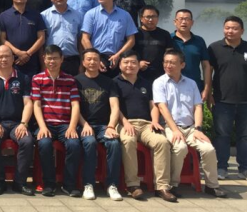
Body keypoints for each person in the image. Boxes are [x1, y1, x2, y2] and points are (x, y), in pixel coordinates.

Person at [154, 49, 226, 198]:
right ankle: (173, 185)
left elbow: (198, 107)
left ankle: (212, 186)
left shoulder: (191, 84)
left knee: (208, 149)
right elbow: (162, 108)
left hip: (191, 128)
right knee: (180, 148)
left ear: (182, 65)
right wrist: (175, 130)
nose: (168, 65)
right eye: (166, 62)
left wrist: (198, 128)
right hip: (170, 127)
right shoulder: (159, 83)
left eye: (172, 62)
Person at [207, 16, 247, 183]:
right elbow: (208, 72)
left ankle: (245, 169)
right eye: (227, 28)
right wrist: (209, 93)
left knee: (245, 137)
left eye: (234, 28)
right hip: (222, 101)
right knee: (222, 136)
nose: (230, 31)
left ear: (242, 31)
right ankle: (221, 168)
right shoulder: (214, 48)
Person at [115, 51, 175, 202]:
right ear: (120, 65)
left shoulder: (146, 83)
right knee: (128, 141)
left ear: (138, 64)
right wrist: (125, 122)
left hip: (146, 124)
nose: (130, 65)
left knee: (162, 142)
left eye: (133, 62)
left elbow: (153, 105)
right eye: (126, 62)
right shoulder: (114, 83)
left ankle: (162, 186)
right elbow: (114, 108)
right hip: (124, 123)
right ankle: (133, 185)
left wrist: (154, 121)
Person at [31, 45, 82, 197]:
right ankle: (49, 184)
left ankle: (69, 185)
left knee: (74, 144)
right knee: (44, 144)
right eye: (49, 58)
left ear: (62, 59)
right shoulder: (37, 79)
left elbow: (75, 105)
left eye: (55, 58)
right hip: (45, 124)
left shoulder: (70, 80)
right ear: (44, 59)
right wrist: (42, 127)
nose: (52, 61)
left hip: (65, 125)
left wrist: (72, 127)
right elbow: (36, 105)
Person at [0, 45, 35, 196]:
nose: (4, 59)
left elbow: (28, 103)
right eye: (0, 57)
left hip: (17, 124)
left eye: (7, 56)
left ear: (13, 59)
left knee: (27, 141)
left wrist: (24, 124)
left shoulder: (23, 78)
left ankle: (19, 183)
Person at [74, 49, 124, 201]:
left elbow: (115, 106)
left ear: (100, 62)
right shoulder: (75, 81)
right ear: (83, 62)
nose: (92, 62)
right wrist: (84, 124)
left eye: (95, 59)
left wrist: (111, 126)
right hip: (83, 125)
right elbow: (74, 107)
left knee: (114, 143)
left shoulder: (109, 82)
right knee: (89, 143)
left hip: (103, 125)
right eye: (89, 59)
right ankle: (88, 184)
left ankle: (111, 185)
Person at [80, 0, 137, 76]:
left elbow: (131, 40)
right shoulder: (90, 14)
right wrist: (95, 58)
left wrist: (118, 55)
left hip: (117, 58)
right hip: (97, 59)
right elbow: (84, 39)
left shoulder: (125, 15)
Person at [0, 0, 46, 77]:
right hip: (12, 63)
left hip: (32, 62)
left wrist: (27, 54)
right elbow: (2, 39)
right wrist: (18, 52)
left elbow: (41, 38)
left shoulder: (36, 15)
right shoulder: (4, 16)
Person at [40, 0, 83, 76]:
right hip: (51, 61)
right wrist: (43, 64)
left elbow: (80, 41)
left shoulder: (78, 15)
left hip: (72, 61)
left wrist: (81, 64)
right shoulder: (43, 16)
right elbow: (41, 42)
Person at [171, 9, 210, 94]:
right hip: (172, 87)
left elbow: (206, 66)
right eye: (181, 19)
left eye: (187, 19)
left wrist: (206, 89)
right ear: (175, 22)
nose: (184, 22)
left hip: (194, 87)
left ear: (192, 22)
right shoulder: (168, 39)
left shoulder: (199, 41)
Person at [134, 5, 174, 82]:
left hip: (160, 75)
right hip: (139, 74)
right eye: (148, 17)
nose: (151, 19)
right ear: (141, 18)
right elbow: (129, 53)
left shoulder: (165, 34)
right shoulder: (134, 34)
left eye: (154, 16)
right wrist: (137, 63)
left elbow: (170, 53)